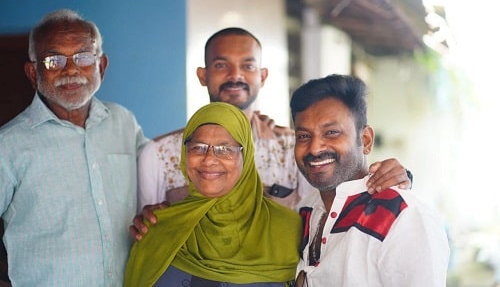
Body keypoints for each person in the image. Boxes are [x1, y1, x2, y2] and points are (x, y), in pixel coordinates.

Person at [137, 27, 411, 212]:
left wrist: (397, 178)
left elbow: (336, 201)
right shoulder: (160, 154)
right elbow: (148, 231)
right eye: (221, 65)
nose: (236, 75)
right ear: (202, 75)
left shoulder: (299, 149)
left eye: (248, 66)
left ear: (263, 76)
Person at [0, 9, 149, 286]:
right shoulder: (8, 146)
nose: (70, 70)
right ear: (33, 73)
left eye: (83, 57)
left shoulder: (123, 121)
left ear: (101, 66)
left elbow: (165, 169)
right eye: (54, 60)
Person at [290, 74, 450, 286]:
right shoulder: (305, 209)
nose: (315, 148)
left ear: (365, 140)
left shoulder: (404, 216)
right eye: (303, 136)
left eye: (331, 133)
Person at [124, 102, 301, 287]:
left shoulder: (288, 229)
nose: (209, 159)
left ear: (246, 157)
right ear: (185, 153)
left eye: (225, 149)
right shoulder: (156, 226)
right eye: (198, 147)